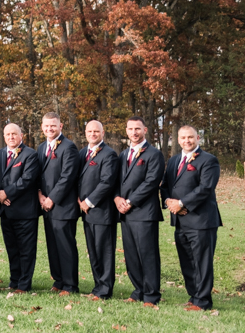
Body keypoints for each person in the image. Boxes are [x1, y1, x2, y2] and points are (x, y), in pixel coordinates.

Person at [160, 125, 222, 311]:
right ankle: (193, 295)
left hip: (201, 220)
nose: (187, 141)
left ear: (198, 139)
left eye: (190, 137)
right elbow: (165, 186)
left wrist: (181, 204)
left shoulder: (208, 160)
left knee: (202, 261)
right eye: (183, 137)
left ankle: (203, 301)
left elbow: (205, 188)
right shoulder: (174, 161)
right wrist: (170, 202)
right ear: (178, 140)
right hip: (180, 220)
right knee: (187, 260)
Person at [115, 116, 165, 308]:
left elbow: (151, 182)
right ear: (126, 131)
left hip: (144, 212)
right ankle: (138, 290)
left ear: (145, 130)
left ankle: (151, 295)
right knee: (131, 255)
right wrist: (117, 198)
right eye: (130, 129)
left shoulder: (154, 154)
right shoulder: (123, 155)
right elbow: (116, 181)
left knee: (147, 253)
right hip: (125, 212)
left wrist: (130, 201)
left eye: (138, 128)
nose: (134, 132)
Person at [0, 123, 40, 293]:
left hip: (25, 210)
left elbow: (27, 180)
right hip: (6, 210)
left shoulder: (30, 155)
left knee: (26, 250)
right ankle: (14, 281)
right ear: (3, 137)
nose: (11, 137)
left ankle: (24, 285)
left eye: (14, 134)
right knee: (12, 249)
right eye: (7, 134)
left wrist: (7, 194)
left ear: (21, 136)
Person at [37, 112, 80, 296]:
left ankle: (70, 285)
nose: (49, 129)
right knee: (52, 245)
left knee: (65, 246)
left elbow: (67, 177)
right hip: (46, 205)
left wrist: (51, 199)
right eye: (46, 126)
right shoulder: (41, 148)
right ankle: (58, 279)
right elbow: (38, 175)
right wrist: (39, 195)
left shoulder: (69, 147)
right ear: (42, 127)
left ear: (60, 126)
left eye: (53, 126)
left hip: (63, 206)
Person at [77, 120, 120, 300]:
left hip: (102, 210)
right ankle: (97, 287)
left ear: (103, 133)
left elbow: (107, 182)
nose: (93, 134)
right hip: (86, 212)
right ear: (85, 133)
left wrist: (88, 201)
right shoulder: (82, 153)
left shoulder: (109, 154)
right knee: (93, 251)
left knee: (104, 252)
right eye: (89, 131)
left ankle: (105, 290)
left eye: (96, 131)